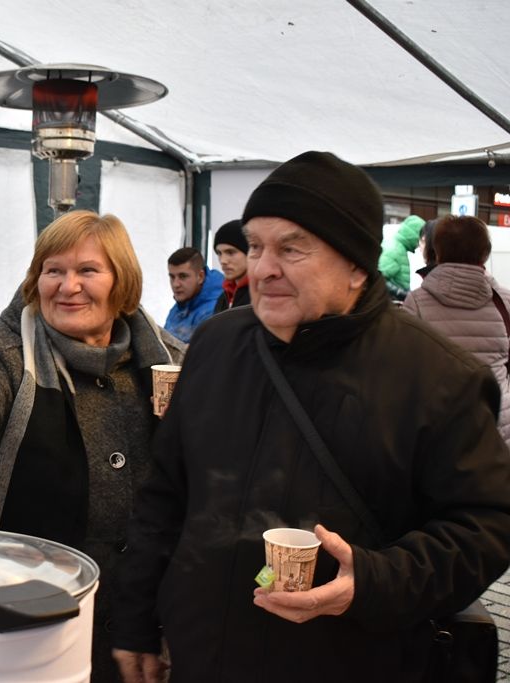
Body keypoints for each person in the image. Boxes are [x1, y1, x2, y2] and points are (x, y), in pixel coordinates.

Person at [111, 151, 510, 683]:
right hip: (201, 652)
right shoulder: (215, 344)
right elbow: (165, 494)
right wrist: (136, 620)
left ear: (356, 265)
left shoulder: (439, 377)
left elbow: (486, 527)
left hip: (348, 660)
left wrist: (373, 581)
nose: (263, 268)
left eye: (291, 248)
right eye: (254, 246)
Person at [0, 209, 186, 682]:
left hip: (140, 610)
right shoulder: (6, 345)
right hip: (26, 605)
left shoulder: (170, 360)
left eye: (87, 270)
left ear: (122, 281)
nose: (67, 285)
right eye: (52, 270)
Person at [403, 215, 510, 446]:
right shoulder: (504, 300)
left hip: (440, 428)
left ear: (437, 251)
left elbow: (404, 371)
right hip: (498, 424)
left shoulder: (416, 302)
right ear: (485, 254)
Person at [163, 247, 224, 343]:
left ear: (200, 276)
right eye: (172, 277)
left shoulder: (216, 310)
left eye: (183, 276)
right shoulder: (180, 305)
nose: (175, 284)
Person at [379, 214, 425, 301]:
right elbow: (379, 279)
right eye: (420, 239)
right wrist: (399, 293)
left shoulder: (398, 248)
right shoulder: (394, 249)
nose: (419, 244)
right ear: (413, 235)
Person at [211, 219, 249, 313]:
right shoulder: (224, 298)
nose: (223, 261)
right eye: (219, 253)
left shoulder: (263, 296)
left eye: (230, 252)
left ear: (250, 252)